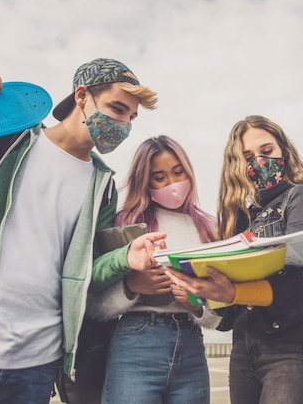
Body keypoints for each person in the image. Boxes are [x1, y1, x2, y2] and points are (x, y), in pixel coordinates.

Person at [0, 58, 165, 404]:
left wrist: (124, 258)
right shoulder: (9, 140)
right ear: (82, 95)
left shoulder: (103, 187)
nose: (123, 124)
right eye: (117, 108)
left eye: (131, 117)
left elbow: (85, 277)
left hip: (34, 365)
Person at [166, 115, 303, 404]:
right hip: (245, 346)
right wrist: (197, 298)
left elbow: (301, 288)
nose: (259, 161)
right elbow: (229, 310)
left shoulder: (302, 198)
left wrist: (234, 292)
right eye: (247, 157)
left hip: (295, 344)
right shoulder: (242, 219)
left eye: (267, 151)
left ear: (284, 150)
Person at [85, 135, 221, 404]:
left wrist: (196, 305)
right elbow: (91, 304)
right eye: (159, 177)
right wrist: (132, 287)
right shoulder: (124, 223)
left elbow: (220, 313)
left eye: (177, 171)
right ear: (145, 181)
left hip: (192, 344)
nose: (172, 183)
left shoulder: (210, 227)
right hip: (136, 341)